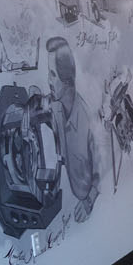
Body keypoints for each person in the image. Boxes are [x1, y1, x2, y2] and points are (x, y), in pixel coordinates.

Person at [46, 36, 101, 223]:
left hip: (84, 201)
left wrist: (89, 201)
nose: (48, 81)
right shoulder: (56, 106)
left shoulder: (87, 120)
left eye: (52, 75)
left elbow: (101, 167)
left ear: (67, 79)